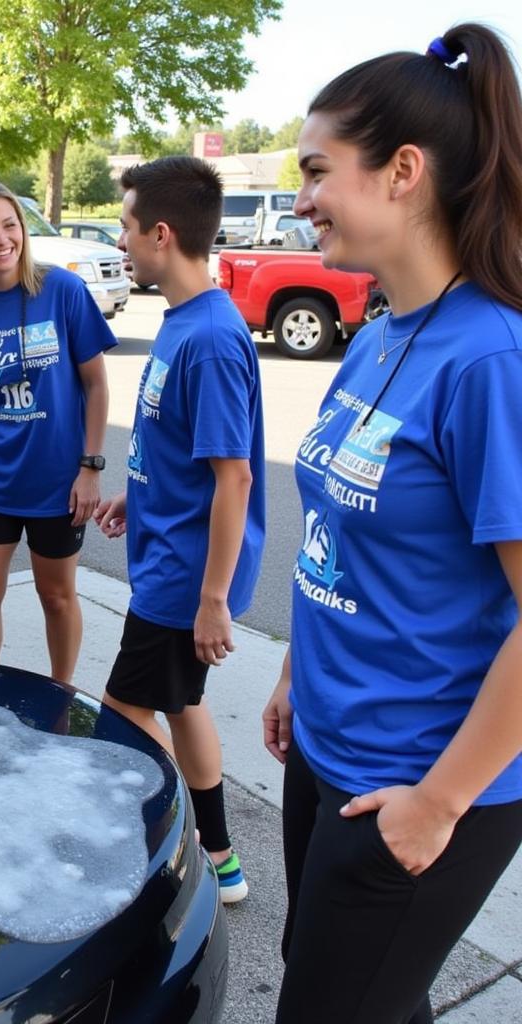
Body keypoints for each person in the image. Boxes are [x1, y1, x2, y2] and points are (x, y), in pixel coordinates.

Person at [261, 24, 522, 1024]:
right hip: (329, 741)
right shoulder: (376, 335)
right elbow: (339, 525)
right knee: (347, 986)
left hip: (418, 776)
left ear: (403, 171)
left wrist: (442, 799)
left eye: (317, 170)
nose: (298, 199)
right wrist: (293, 669)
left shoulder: (490, 362)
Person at [95, 156, 266, 903]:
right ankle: (222, 858)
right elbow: (188, 455)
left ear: (161, 234)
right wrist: (141, 496)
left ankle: (176, 856)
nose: (121, 243)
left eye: (127, 229)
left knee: (122, 720)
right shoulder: (182, 322)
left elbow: (236, 477)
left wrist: (212, 599)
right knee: (180, 701)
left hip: (182, 579)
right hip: (169, 553)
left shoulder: (212, 339)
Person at [0, 180, 113, 683]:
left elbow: (97, 386)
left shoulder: (62, 290)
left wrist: (91, 467)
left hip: (60, 482)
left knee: (56, 595)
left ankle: (61, 692)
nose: (1, 239)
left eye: (9, 225)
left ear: (23, 229)